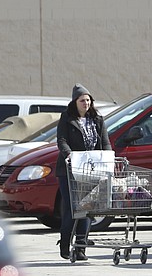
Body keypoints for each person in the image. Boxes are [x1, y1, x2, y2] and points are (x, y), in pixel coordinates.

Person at [55, 83, 112, 260]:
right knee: (73, 209)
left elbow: (104, 141)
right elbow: (61, 139)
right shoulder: (67, 118)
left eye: (88, 100)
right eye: (82, 100)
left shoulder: (97, 119)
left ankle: (81, 247)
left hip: (90, 169)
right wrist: (69, 154)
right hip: (69, 170)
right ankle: (65, 244)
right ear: (75, 102)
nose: (86, 103)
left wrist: (108, 158)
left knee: (87, 208)